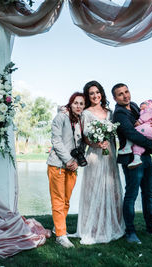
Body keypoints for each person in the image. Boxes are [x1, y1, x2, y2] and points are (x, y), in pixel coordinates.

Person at [112, 83, 152, 244]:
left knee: (148, 193)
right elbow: (130, 132)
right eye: (120, 94)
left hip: (145, 157)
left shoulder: (134, 106)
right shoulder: (119, 114)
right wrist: (150, 143)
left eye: (126, 91)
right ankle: (130, 232)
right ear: (115, 98)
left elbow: (150, 118)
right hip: (131, 158)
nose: (125, 96)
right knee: (131, 195)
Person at [75, 80, 125, 245]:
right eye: (91, 93)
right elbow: (85, 138)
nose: (95, 96)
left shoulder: (110, 113)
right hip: (95, 156)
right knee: (94, 190)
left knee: (111, 189)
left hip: (109, 155)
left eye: (97, 92)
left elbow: (115, 135)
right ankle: (93, 228)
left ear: (101, 93)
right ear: (88, 96)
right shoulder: (86, 113)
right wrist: (97, 144)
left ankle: (111, 224)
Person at [46, 92, 85, 248]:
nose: (78, 106)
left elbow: (81, 144)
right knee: (58, 200)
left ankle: (57, 227)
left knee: (66, 200)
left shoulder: (81, 120)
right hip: (57, 164)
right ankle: (61, 235)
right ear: (70, 103)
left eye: (81, 103)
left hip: (72, 166)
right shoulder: (60, 118)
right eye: (76, 103)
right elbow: (56, 141)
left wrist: (76, 161)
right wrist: (67, 160)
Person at [118, 100, 152, 169]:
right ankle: (137, 159)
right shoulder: (145, 111)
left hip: (148, 128)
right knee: (138, 145)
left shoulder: (150, 109)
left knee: (133, 132)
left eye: (141, 105)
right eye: (140, 106)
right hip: (149, 131)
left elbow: (147, 115)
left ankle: (127, 147)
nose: (140, 107)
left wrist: (139, 121)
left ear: (147, 104)